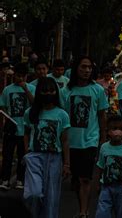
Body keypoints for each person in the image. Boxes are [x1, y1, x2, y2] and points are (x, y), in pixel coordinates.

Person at [60, 56, 109, 218]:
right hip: (70, 142)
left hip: (90, 141)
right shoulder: (66, 91)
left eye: (89, 67)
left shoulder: (98, 90)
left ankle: (84, 212)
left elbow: (102, 116)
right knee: (75, 180)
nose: (87, 70)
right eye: (83, 67)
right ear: (76, 69)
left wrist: (102, 138)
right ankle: (81, 206)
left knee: (85, 179)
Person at [23, 77, 70, 217]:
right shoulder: (30, 113)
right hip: (34, 157)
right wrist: (26, 153)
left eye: (51, 90)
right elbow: (25, 133)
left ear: (56, 92)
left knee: (51, 197)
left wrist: (67, 164)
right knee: (34, 193)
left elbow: (65, 140)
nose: (48, 93)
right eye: (44, 91)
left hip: (54, 158)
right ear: (38, 92)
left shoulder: (62, 115)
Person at [0, 63, 35, 189]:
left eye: (22, 76)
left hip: (25, 129)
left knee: (23, 155)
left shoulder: (31, 88)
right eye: (17, 76)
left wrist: (25, 89)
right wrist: (7, 118)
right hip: (11, 128)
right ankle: (5, 179)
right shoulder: (7, 89)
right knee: (8, 155)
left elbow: (34, 104)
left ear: (26, 76)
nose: (19, 79)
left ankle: (21, 179)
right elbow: (2, 105)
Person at [95, 115, 122, 218]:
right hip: (106, 186)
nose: (118, 131)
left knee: (121, 212)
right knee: (102, 212)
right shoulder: (104, 147)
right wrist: (96, 183)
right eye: (114, 129)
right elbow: (100, 166)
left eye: (121, 129)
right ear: (108, 131)